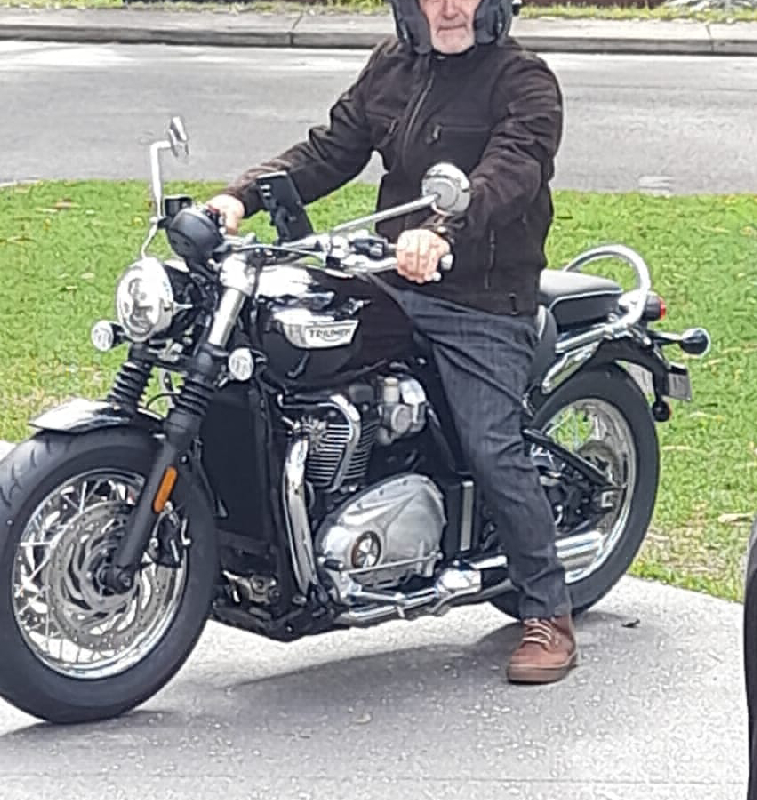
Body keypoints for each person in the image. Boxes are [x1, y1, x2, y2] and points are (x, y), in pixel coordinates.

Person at [207, 0, 577, 684]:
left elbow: (510, 173)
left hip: (481, 298)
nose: (450, 7)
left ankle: (548, 612)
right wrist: (242, 196)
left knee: (492, 446)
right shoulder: (393, 65)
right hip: (392, 277)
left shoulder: (523, 80)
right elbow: (331, 149)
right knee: (277, 363)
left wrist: (442, 232)